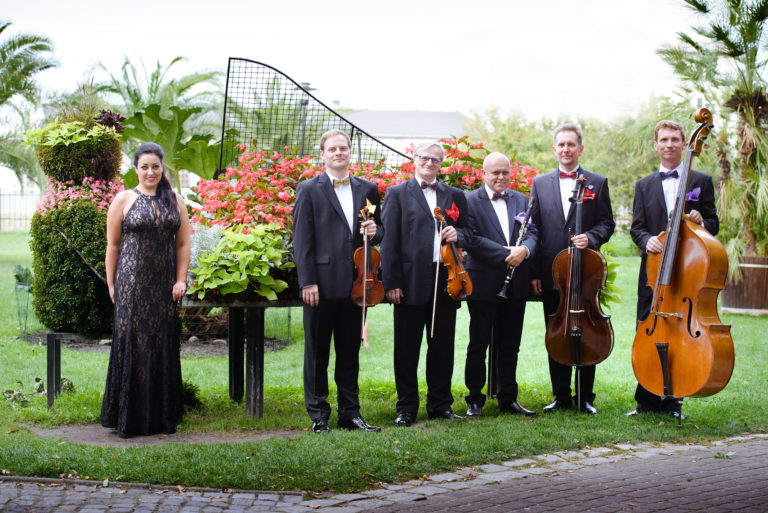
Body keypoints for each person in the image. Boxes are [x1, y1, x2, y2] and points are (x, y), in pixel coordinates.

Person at [292, 129, 383, 433]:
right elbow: (302, 239)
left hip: (357, 285)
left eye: (343, 148)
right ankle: (318, 415)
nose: (338, 153)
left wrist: (374, 231)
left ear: (349, 152)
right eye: (332, 149)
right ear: (323, 154)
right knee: (317, 352)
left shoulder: (368, 189)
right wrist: (307, 281)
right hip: (320, 284)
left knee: (349, 352)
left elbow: (377, 230)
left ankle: (350, 413)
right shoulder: (309, 189)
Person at [626, 120, 719, 418]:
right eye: (663, 139)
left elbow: (714, 224)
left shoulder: (701, 181)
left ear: (683, 144)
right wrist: (647, 240)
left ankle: (674, 400)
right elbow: (636, 228)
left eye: (674, 139)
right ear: (656, 145)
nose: (668, 144)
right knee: (648, 331)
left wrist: (702, 222)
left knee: (681, 336)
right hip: (654, 273)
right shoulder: (644, 185)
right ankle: (646, 400)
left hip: (687, 272)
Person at [101, 142, 190, 437]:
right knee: (132, 344)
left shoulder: (174, 199)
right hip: (132, 284)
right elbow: (113, 245)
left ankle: (161, 417)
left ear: (162, 167)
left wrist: (181, 280)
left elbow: (183, 244)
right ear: (135, 169)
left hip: (164, 286)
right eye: (144, 167)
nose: (150, 172)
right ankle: (128, 416)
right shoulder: (124, 199)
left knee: (161, 342)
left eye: (155, 166)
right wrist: (112, 283)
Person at [380, 141, 472, 426]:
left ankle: (440, 404)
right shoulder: (397, 193)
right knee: (407, 347)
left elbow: (469, 231)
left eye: (435, 160)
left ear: (441, 164)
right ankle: (406, 407)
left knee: (442, 345)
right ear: (414, 159)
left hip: (446, 277)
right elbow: (389, 241)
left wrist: (459, 234)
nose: (429, 163)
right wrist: (392, 282)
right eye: (424, 158)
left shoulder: (454, 194)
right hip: (409, 280)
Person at [529, 124, 615, 415]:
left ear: (580, 148)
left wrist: (591, 237)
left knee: (587, 329)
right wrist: (536, 273)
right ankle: (560, 395)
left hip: (585, 272)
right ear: (554, 149)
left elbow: (607, 223)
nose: (566, 149)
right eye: (561, 144)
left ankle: (585, 397)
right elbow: (534, 228)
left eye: (571, 144)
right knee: (557, 329)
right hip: (554, 275)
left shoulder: (597, 182)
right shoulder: (539, 183)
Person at [463, 152, 537, 417]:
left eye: (505, 172)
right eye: (495, 172)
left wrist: (525, 251)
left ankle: (509, 398)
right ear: (484, 174)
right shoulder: (469, 200)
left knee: (510, 344)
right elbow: (469, 239)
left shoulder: (520, 199)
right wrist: (507, 254)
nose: (501, 177)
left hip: (515, 283)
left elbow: (532, 232)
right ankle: (474, 399)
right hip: (483, 282)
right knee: (478, 343)